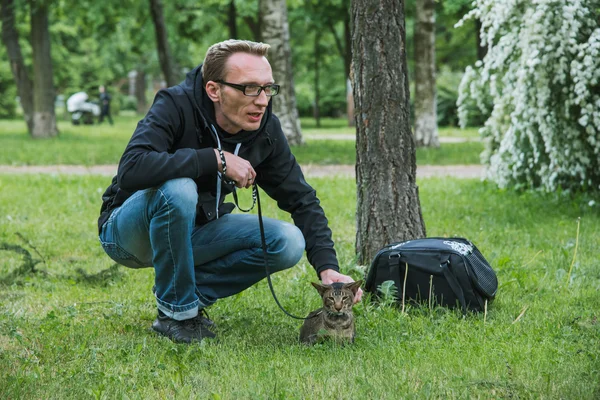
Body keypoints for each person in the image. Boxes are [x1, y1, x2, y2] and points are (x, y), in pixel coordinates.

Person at [97, 39, 363, 344]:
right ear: (214, 90)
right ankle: (177, 316)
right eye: (250, 88)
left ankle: (185, 297)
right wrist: (214, 159)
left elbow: (301, 199)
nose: (262, 100)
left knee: (287, 241)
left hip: (196, 233)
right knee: (180, 189)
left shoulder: (265, 130)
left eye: (268, 88)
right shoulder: (176, 104)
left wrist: (328, 268)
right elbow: (132, 168)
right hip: (129, 233)